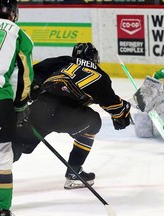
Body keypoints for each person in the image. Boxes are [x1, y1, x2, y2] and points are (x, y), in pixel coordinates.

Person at [12, 42, 131, 190]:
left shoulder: (63, 61)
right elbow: (115, 108)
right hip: (68, 116)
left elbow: (29, 74)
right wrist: (123, 113)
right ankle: (74, 172)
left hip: (41, 109)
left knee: (17, 145)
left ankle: (0, 167)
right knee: (94, 122)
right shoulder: (101, 76)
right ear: (95, 59)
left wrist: (29, 94)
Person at [0, 0, 34, 215]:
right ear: (12, 13)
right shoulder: (17, 33)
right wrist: (20, 106)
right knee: (1, 156)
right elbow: (24, 75)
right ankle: (1, 207)